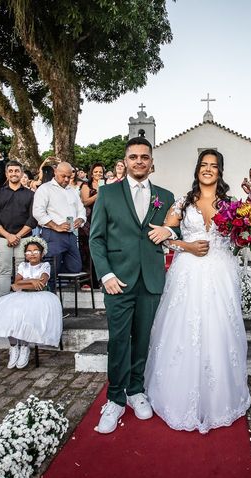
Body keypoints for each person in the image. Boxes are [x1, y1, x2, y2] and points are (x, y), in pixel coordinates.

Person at [144, 149, 251, 434]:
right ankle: (177, 394)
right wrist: (188, 246)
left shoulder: (231, 204)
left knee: (220, 328)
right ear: (197, 170)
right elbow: (166, 235)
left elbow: (237, 240)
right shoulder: (183, 202)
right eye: (203, 165)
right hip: (188, 271)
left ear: (220, 171)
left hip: (221, 271)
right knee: (185, 328)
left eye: (213, 166)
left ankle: (220, 397)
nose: (208, 169)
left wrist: (247, 234)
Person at [89, 136, 176, 434]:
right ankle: (114, 398)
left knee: (142, 339)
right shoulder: (108, 193)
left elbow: (175, 226)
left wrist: (168, 228)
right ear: (125, 161)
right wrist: (106, 275)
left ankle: (136, 390)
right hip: (118, 280)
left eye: (144, 157)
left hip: (151, 278)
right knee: (118, 339)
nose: (139, 161)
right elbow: (96, 238)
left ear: (152, 162)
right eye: (134, 157)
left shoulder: (165, 195)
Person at [0, 237, 63, 369]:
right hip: (20, 295)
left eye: (36, 251)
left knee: (26, 316)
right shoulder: (22, 266)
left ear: (42, 254)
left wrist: (27, 282)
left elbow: (41, 284)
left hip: (40, 297)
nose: (32, 254)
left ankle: (25, 347)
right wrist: (32, 281)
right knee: (9, 315)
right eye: (29, 251)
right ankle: (13, 347)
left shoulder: (45, 266)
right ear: (25, 254)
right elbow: (15, 285)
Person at [32, 161, 86, 290]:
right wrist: (55, 226)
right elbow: (38, 212)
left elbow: (81, 209)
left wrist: (80, 219)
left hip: (71, 234)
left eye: (69, 176)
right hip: (52, 234)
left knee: (75, 267)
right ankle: (48, 297)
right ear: (55, 172)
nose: (66, 179)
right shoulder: (45, 189)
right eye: (63, 176)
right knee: (51, 269)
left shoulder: (72, 191)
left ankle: (42, 275)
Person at [0, 161, 37, 296]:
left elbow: (33, 219)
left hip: (24, 237)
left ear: (21, 173)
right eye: (11, 171)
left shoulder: (30, 195)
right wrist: (8, 236)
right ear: (6, 174)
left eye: (16, 171)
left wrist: (18, 236)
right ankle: (3, 303)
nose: (14, 173)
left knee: (22, 269)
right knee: (4, 270)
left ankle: (21, 301)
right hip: (2, 238)